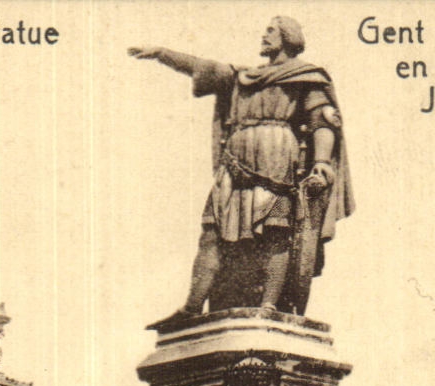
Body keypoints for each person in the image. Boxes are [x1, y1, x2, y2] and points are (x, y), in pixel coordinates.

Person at [130, 17, 351, 323]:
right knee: (212, 233)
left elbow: (323, 123)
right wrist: (161, 53)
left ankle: (270, 305)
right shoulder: (241, 77)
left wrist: (322, 164)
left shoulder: (305, 76)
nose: (264, 35)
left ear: (288, 37)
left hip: (276, 164)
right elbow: (199, 66)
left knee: (276, 233)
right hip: (234, 167)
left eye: (271, 30)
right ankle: (192, 306)